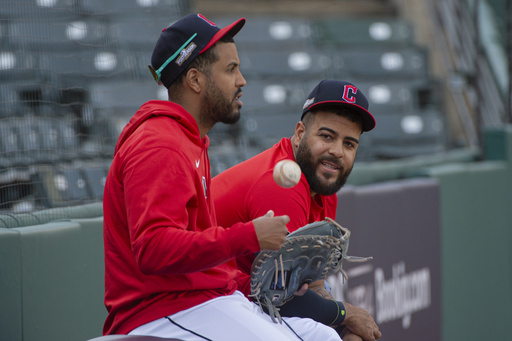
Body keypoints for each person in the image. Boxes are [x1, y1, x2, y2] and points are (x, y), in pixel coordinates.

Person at [102, 13, 343, 341]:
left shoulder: (190, 141)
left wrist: (267, 286)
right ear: (195, 80)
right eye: (230, 69)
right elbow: (153, 248)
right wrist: (249, 235)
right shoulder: (159, 143)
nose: (242, 80)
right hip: (161, 310)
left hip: (204, 300)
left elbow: (207, 267)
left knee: (325, 337)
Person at [212, 80, 382, 341]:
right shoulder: (282, 184)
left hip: (240, 293)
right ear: (300, 133)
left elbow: (311, 286)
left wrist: (345, 325)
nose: (337, 151)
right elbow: (280, 297)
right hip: (193, 295)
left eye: (349, 144)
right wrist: (345, 315)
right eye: (327, 136)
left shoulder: (322, 185)